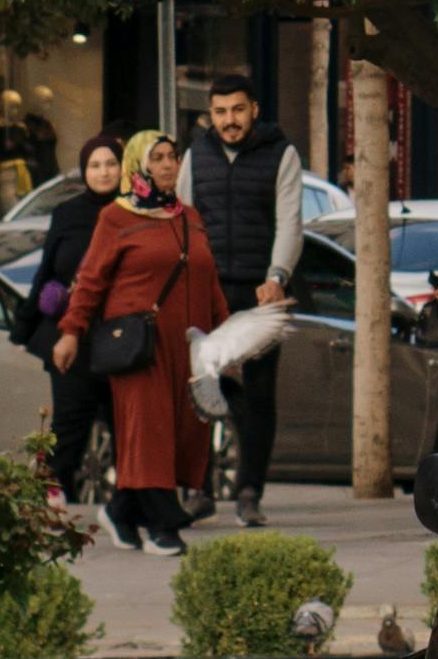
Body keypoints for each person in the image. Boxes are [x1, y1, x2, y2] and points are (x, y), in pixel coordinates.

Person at [51, 133, 226, 547]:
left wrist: (226, 338)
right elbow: (91, 279)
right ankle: (162, 525)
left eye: (173, 157)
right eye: (158, 158)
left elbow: (209, 280)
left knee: (182, 431)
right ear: (139, 166)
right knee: (150, 431)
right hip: (140, 347)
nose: (168, 165)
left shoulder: (189, 216)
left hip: (189, 349)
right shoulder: (117, 217)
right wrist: (71, 332)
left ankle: (122, 509)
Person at [179, 71, 304, 520]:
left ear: (254, 110)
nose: (229, 120)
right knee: (201, 389)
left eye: (237, 110)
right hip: (207, 290)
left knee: (259, 394)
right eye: (220, 112)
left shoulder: (282, 153)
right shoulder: (197, 154)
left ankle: (249, 492)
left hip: (259, 292)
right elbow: (186, 221)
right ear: (209, 115)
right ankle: (200, 490)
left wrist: (277, 276)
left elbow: (290, 221)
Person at [27, 136, 131, 515]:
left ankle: (128, 504)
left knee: (125, 424)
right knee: (70, 421)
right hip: (74, 336)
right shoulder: (67, 214)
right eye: (95, 165)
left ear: (123, 168)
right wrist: (35, 321)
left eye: (110, 164)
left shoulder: (133, 212)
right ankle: (53, 496)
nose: (103, 172)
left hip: (123, 338)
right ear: (84, 172)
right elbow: (48, 269)